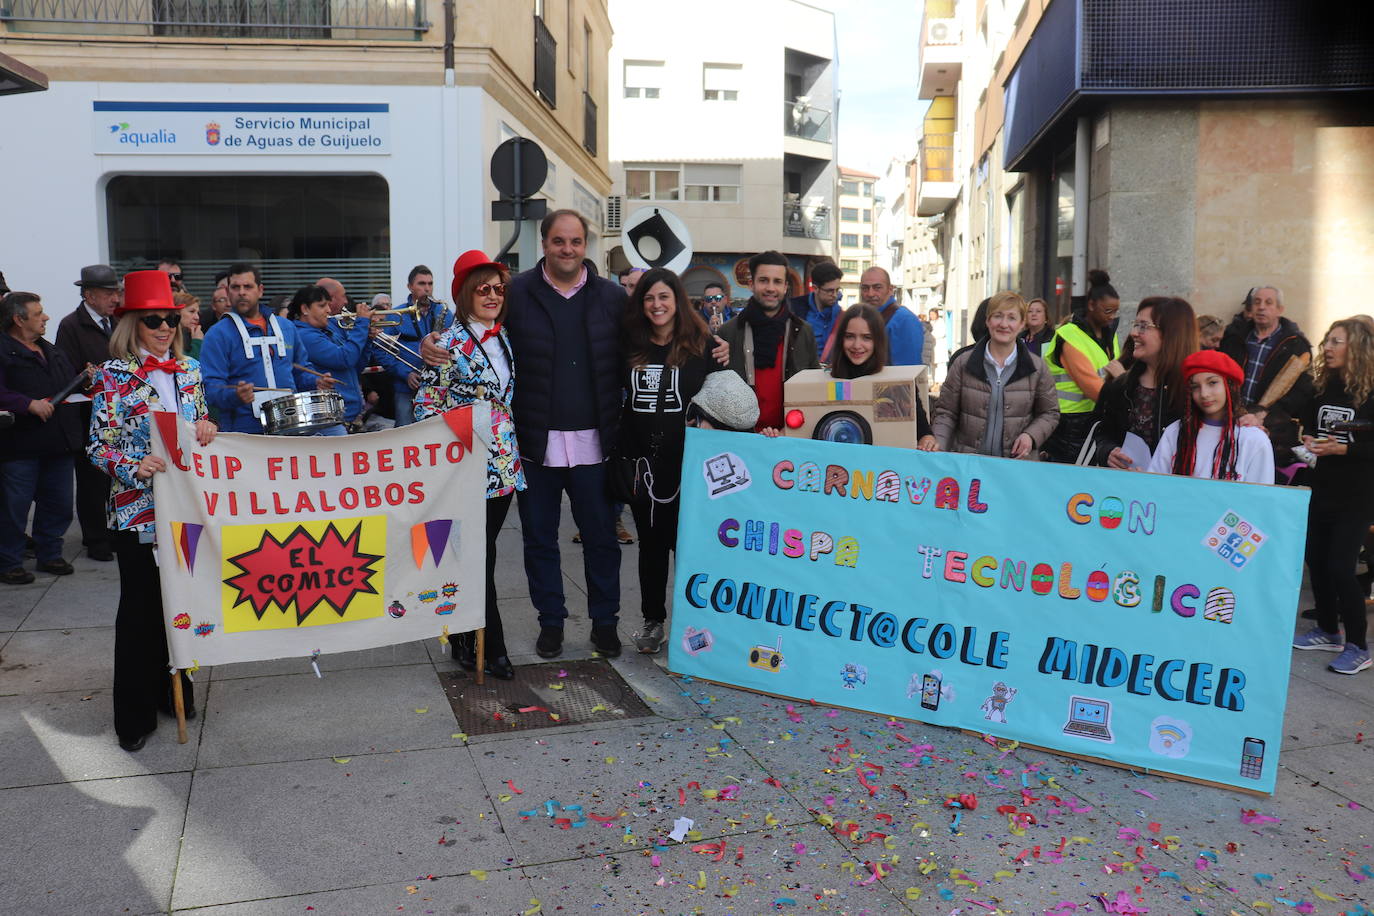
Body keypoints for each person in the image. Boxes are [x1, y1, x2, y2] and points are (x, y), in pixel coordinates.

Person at [87, 270, 217, 751]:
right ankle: (134, 715)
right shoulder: (113, 378)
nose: (165, 328)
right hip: (137, 513)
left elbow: (201, 423)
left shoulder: (191, 372)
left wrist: (206, 426)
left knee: (181, 604)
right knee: (140, 613)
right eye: (153, 320)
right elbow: (98, 447)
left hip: (186, 509)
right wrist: (133, 465)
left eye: (170, 319)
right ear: (132, 325)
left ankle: (173, 692)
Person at [414, 250, 524, 680]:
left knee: (477, 553)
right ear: (464, 294)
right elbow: (426, 406)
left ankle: (464, 637)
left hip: (504, 466)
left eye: (499, 288)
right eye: (483, 289)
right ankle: (489, 644)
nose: (493, 295)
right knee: (481, 554)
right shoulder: (445, 343)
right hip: (466, 465)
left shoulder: (503, 337)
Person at [616, 267, 728, 654]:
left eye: (663, 297)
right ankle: (653, 621)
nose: (656, 305)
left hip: (691, 466)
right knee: (650, 545)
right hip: (645, 466)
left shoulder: (703, 346)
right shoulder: (629, 345)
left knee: (691, 546)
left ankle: (694, 619)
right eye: (649, 298)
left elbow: (724, 399)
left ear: (676, 300)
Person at [1291, 319, 1374, 675]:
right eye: (1327, 340)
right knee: (1318, 561)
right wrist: (1310, 441)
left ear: (1357, 348)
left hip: (1357, 494)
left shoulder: (1370, 394)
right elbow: (1310, 427)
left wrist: (1344, 450)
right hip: (1322, 487)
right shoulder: (1322, 388)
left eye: (1336, 341)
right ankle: (1327, 629)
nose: (1327, 346)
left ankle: (1358, 645)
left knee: (1341, 567)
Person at [0, 292, 81, 583]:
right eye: (38, 313)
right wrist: (27, 403)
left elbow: (68, 378)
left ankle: (50, 554)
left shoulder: (50, 349)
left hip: (57, 441)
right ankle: (9, 561)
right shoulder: (2, 349)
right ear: (18, 319)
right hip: (19, 444)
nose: (46, 317)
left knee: (58, 503)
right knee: (14, 506)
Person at [199, 263, 327, 434]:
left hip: (291, 427)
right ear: (228, 292)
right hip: (244, 433)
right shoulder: (217, 334)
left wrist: (316, 381)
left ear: (260, 290)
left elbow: (300, 371)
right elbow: (211, 387)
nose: (242, 292)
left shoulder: (286, 327)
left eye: (248, 286)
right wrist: (235, 396)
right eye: (235, 287)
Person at [926, 291, 1057, 457]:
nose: (1004, 324)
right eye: (998, 316)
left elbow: (1050, 413)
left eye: (1012, 317)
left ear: (1022, 323)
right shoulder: (963, 363)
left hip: (1016, 469)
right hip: (968, 465)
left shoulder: (1037, 368)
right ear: (988, 320)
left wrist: (1030, 436)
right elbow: (946, 413)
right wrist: (939, 448)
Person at [56, 264, 121, 562]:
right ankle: (96, 538)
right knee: (92, 480)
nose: (115, 298)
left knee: (115, 476)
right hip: (89, 414)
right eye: (109, 293)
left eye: (115, 292)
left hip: (118, 412)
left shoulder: (116, 322)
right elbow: (65, 371)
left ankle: (114, 532)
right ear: (90, 295)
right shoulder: (71, 325)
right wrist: (87, 376)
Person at [1085, 296, 1197, 469]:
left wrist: (1247, 417)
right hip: (1126, 491)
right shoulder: (1120, 386)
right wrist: (1107, 452)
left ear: (1171, 333)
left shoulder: (1195, 389)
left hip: (1178, 490)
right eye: (1135, 325)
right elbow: (1098, 429)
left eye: (1144, 326)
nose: (1133, 333)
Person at [717, 250, 819, 433]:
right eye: (764, 280)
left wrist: (788, 430)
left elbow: (814, 390)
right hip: (740, 439)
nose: (771, 288)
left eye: (777, 281)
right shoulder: (728, 332)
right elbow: (716, 391)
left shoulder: (803, 332)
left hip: (789, 438)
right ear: (751, 284)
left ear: (786, 286)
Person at [1218, 285, 1313, 476]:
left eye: (1269, 303)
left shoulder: (1295, 345)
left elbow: (1302, 391)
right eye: (1257, 302)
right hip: (1230, 420)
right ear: (1250, 308)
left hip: (1271, 428)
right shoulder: (1234, 338)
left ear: (1280, 309)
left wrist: (1266, 413)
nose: (1262, 307)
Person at [1147, 350, 1273, 482]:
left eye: (1212, 383)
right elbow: (1155, 484)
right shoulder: (1175, 432)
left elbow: (1261, 497)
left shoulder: (1253, 439)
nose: (1204, 394)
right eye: (1195, 387)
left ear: (1229, 386)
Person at [1041, 269, 1122, 462]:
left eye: (1115, 311)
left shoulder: (1110, 335)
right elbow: (1094, 389)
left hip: (1095, 419)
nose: (1112, 316)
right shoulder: (1069, 336)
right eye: (1107, 311)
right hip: (1069, 425)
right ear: (1091, 305)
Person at [289, 285, 370, 430]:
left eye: (327, 304)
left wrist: (367, 339)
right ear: (305, 309)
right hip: (332, 419)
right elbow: (344, 359)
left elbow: (355, 366)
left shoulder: (330, 328)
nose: (328, 310)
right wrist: (362, 324)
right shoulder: (304, 336)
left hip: (350, 416)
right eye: (321, 305)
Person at [389, 265, 451, 427]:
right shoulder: (396, 315)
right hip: (406, 386)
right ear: (410, 287)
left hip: (438, 389)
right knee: (403, 435)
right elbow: (383, 351)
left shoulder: (443, 311)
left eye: (430, 284)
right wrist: (405, 373)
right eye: (422, 284)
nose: (427, 289)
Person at [859, 267, 923, 366]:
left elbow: (906, 372)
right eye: (865, 288)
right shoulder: (863, 316)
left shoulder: (904, 320)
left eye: (877, 287)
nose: (870, 294)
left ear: (890, 289)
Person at [787, 261, 844, 359]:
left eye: (837, 290)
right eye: (830, 291)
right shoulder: (793, 309)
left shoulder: (842, 316)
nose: (834, 295)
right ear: (815, 288)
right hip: (801, 372)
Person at [175, 291, 203, 360]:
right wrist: (197, 342)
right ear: (177, 312)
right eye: (191, 311)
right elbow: (189, 367)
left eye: (198, 313)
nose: (197, 317)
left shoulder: (188, 334)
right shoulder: (168, 336)